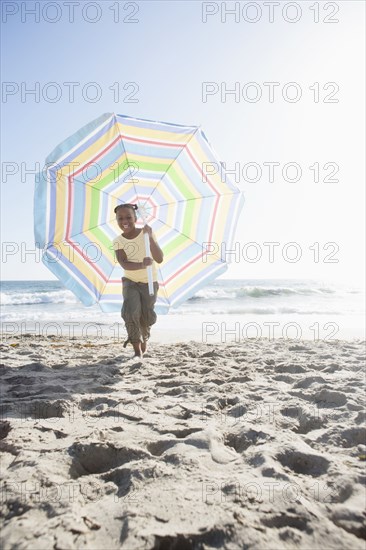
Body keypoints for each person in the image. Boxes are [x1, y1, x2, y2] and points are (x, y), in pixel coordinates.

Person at [113, 204, 164, 358]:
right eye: (120, 218)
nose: (124, 221)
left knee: (145, 315)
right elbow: (123, 263)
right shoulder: (118, 241)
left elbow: (159, 258)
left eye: (128, 217)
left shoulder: (146, 233)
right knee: (130, 312)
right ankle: (137, 351)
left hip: (149, 282)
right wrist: (141, 264)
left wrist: (150, 238)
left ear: (135, 218)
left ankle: (144, 339)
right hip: (130, 281)